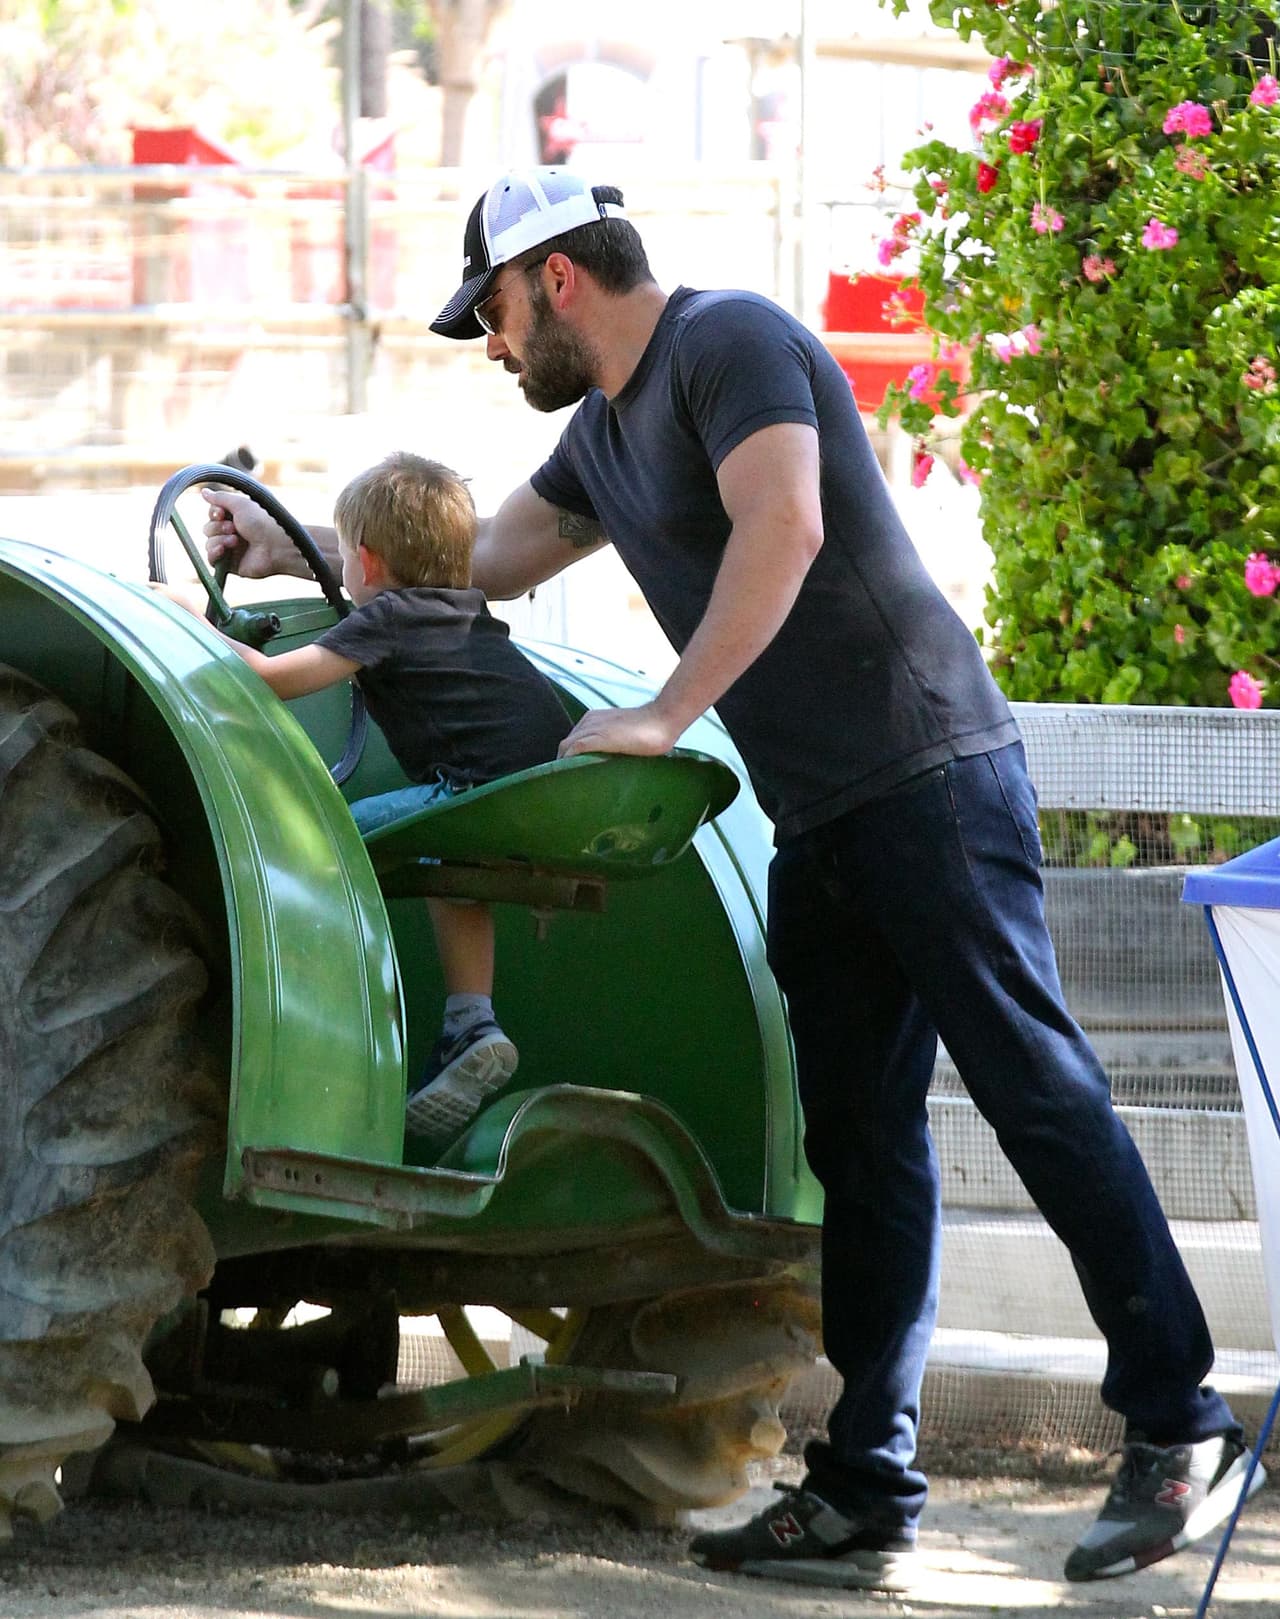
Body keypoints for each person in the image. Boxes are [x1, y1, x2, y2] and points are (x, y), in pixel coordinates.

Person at [204, 168, 1263, 1591]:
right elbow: (478, 565)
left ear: (557, 279)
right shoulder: (603, 431)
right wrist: (312, 550)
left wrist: (663, 709)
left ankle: (1175, 1426)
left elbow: (787, 526)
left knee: (1035, 1085)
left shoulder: (733, 342)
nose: (497, 343)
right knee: (867, 1147)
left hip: (930, 771)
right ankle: (863, 1488)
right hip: (823, 814)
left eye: (498, 313)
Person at [183, 450, 571, 1149]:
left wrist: (188, 620)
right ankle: (470, 1021)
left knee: (321, 839)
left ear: (361, 560)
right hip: (537, 789)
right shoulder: (463, 608)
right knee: (451, 863)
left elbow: (272, 680)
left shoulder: (387, 616)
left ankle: (321, 1026)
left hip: (472, 788)